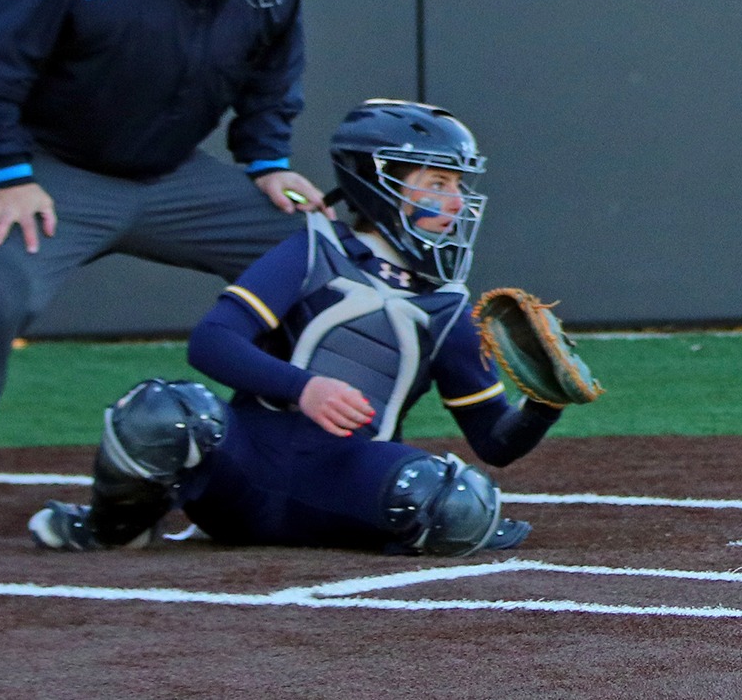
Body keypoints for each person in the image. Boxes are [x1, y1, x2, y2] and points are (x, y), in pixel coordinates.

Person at [0, 0, 326, 532]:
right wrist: (8, 172)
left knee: (319, 259)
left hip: (174, 177)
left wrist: (267, 160)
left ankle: (290, 463)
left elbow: (273, 81)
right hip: (52, 176)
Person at [28, 99, 570, 555]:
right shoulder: (313, 250)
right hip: (242, 466)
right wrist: (304, 387)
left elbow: (494, 444)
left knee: (456, 501)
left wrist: (545, 403)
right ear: (377, 182)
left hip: (343, 477)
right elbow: (212, 341)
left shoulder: (449, 307)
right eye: (437, 182)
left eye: (457, 183)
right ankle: (108, 529)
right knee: (162, 411)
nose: (454, 201)